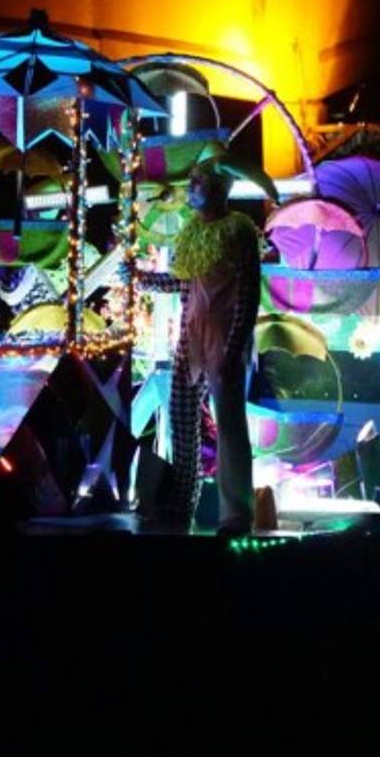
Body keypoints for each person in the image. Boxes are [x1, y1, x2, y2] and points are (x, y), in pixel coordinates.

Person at [134, 158, 263, 535]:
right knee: (182, 422)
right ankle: (179, 504)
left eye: (197, 182)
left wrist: (236, 345)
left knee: (230, 426)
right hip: (190, 339)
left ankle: (236, 514)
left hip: (224, 339)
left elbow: (249, 293)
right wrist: (145, 280)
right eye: (190, 181)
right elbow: (186, 285)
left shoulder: (238, 228)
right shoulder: (192, 231)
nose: (190, 188)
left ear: (219, 188)